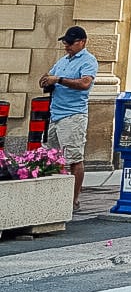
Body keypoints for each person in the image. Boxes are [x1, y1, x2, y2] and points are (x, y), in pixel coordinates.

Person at [38, 25, 98, 212]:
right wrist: (46, 80)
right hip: (55, 115)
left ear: (82, 42)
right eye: (65, 43)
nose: (67, 46)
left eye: (70, 43)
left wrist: (59, 80)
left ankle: (74, 200)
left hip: (73, 116)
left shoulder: (88, 61)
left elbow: (85, 83)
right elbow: (49, 75)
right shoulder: (63, 61)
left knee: (73, 159)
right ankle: (54, 196)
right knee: (51, 157)